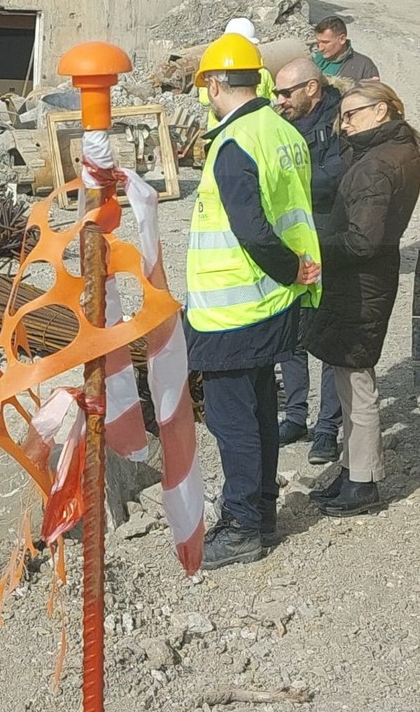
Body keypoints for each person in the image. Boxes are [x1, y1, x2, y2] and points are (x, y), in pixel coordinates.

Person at [184, 33, 321, 570]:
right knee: (263, 412)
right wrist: (293, 275)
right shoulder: (280, 130)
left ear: (215, 84)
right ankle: (262, 512)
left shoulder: (234, 142)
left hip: (231, 311)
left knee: (234, 421)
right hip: (270, 303)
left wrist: (288, 266)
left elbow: (253, 230)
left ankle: (241, 525)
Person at [305, 81, 420, 516]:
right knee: (351, 374)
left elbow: (362, 241)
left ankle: (364, 480)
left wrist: (313, 243)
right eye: (342, 115)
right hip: (371, 277)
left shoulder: (377, 165)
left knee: (356, 380)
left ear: (381, 111)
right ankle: (352, 469)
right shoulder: (399, 148)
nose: (343, 123)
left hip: (360, 283)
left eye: (351, 114)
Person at [273, 58, 344, 463]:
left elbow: (335, 174)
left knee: (328, 336)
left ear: (312, 89)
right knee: (293, 334)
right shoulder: (281, 120)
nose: (279, 100)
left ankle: (327, 427)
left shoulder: (339, 121)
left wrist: (292, 184)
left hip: (328, 239)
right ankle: (295, 415)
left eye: (286, 93)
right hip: (293, 241)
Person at [198, 18, 275, 130]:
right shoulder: (215, 71)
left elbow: (272, 95)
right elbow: (204, 99)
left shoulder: (262, 72)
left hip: (254, 127)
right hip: (221, 128)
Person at [313, 16, 379, 81]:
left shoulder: (364, 67)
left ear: (342, 39)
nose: (320, 48)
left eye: (325, 42)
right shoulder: (315, 59)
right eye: (318, 42)